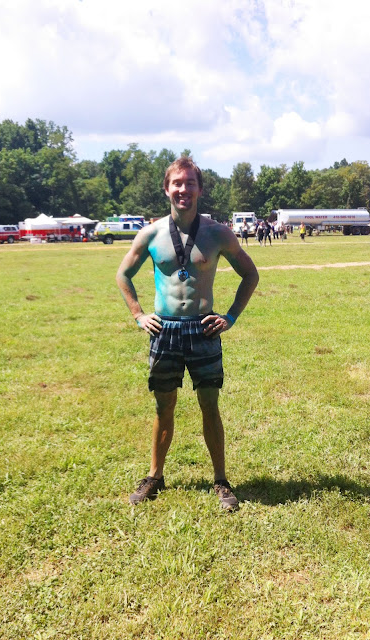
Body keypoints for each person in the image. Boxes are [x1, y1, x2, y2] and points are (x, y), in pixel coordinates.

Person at [116, 157, 259, 511]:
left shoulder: (217, 233)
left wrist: (230, 317)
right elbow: (123, 274)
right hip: (164, 330)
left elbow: (250, 274)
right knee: (163, 406)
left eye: (190, 183)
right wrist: (138, 315)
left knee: (210, 405)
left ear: (200, 189)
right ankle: (155, 476)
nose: (184, 189)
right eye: (177, 183)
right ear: (167, 189)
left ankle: (221, 480)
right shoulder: (151, 234)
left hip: (203, 329)